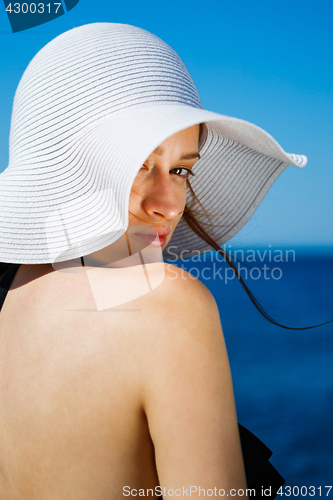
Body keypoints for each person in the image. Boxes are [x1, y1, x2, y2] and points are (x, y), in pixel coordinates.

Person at [0, 23, 304, 499]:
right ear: (62, 167)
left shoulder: (10, 302)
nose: (168, 203)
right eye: (138, 163)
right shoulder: (163, 303)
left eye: (181, 169)